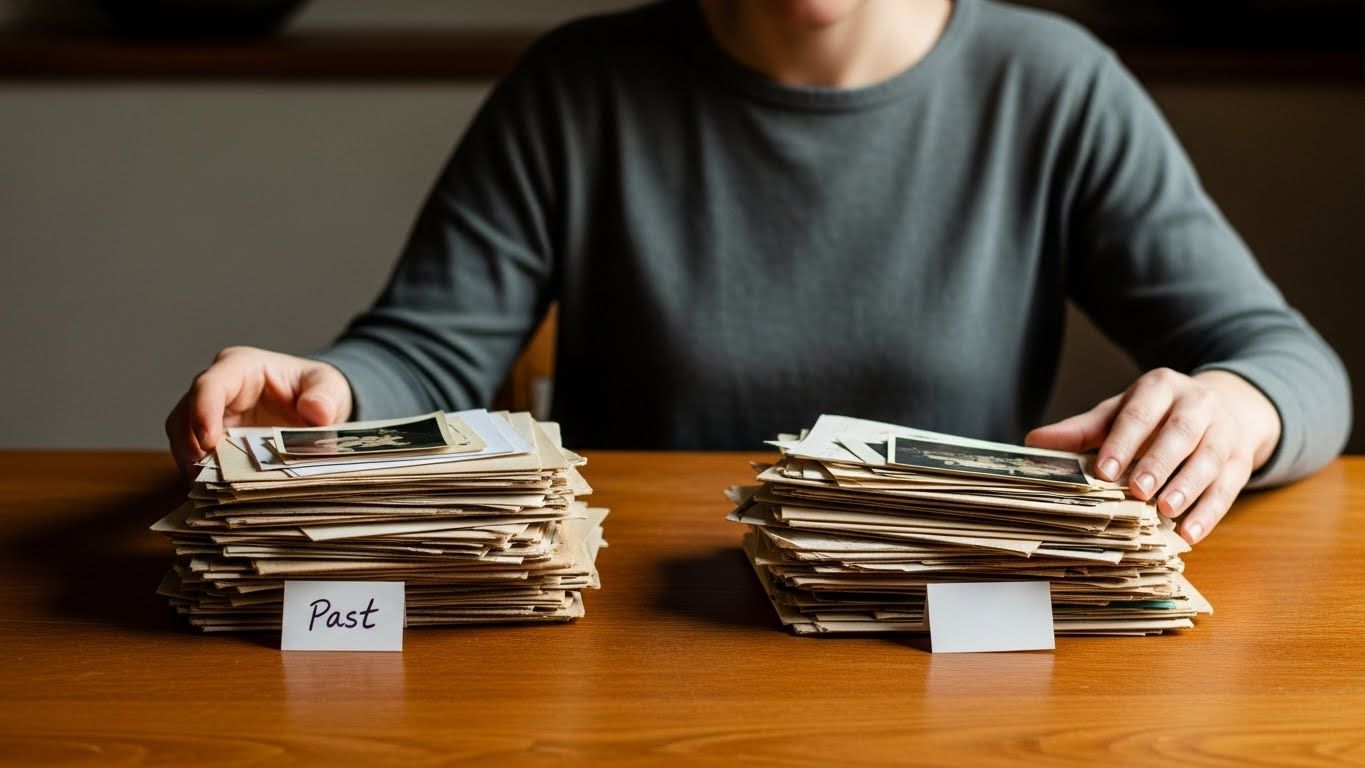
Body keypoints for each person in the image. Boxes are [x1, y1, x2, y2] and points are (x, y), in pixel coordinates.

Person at [165, 0, 1351, 546]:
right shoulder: (580, 82)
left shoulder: (1054, 82)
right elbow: (427, 349)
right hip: (633, 634)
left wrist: (1241, 408)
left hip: (946, 622)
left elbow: (1292, 363)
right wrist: (325, 390)